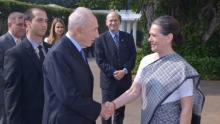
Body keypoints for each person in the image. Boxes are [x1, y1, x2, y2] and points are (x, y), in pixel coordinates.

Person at [105, 15, 205, 124]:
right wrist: (113, 105)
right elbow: (134, 91)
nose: (149, 39)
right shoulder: (146, 61)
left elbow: (187, 108)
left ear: (169, 37)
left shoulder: (182, 69)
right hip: (147, 119)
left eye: (154, 35)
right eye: (149, 35)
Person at [42, 7, 112, 124]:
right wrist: (100, 109)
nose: (98, 35)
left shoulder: (76, 49)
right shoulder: (57, 54)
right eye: (94, 29)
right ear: (79, 30)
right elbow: (68, 95)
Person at [3, 8, 51, 124]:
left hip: (53, 116)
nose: (44, 24)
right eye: (39, 20)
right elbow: (12, 95)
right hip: (30, 118)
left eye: (46, 20)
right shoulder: (15, 54)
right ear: (28, 23)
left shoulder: (52, 49)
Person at [95, 11, 136, 124]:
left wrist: (124, 71)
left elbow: (133, 57)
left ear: (119, 22)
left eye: (115, 20)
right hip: (108, 82)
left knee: (120, 111)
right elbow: (100, 60)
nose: (113, 22)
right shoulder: (100, 39)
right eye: (111, 20)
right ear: (106, 23)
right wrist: (113, 72)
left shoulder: (128, 37)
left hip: (124, 81)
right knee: (107, 111)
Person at [0, 11, 25, 124]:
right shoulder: (2, 42)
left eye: (24, 24)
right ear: (10, 25)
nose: (23, 27)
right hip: (6, 96)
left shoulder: (24, 42)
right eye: (19, 24)